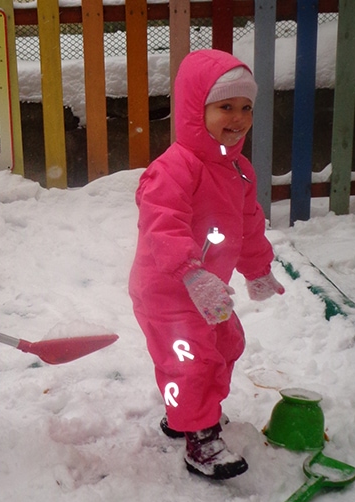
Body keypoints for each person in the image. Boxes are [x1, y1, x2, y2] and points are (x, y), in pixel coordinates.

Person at [128, 49, 285, 480]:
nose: (237, 117)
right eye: (225, 106)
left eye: (246, 107)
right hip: (168, 292)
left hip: (208, 290)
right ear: (197, 109)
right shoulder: (174, 169)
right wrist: (192, 273)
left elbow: (248, 224)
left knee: (227, 346)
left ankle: (186, 412)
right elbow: (163, 226)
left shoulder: (239, 169)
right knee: (193, 362)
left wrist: (257, 269)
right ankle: (199, 435)